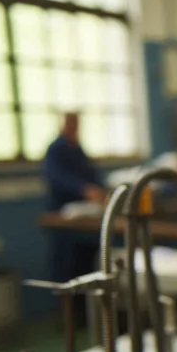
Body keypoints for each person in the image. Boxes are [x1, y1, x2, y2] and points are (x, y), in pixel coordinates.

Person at [42, 112, 104, 284]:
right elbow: (57, 177)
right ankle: (67, 306)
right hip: (63, 213)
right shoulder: (55, 149)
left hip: (86, 217)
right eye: (70, 124)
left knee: (86, 260)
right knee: (65, 264)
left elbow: (91, 174)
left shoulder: (77, 149)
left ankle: (85, 304)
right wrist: (83, 189)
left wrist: (98, 190)